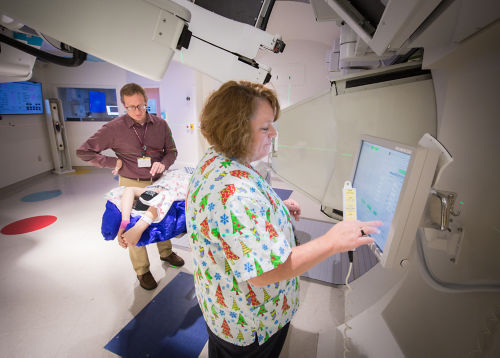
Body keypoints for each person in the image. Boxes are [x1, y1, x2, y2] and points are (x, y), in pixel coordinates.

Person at [185, 80, 382, 357]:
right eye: (265, 128)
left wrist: (275, 207)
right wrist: (332, 241)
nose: (274, 133)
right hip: (250, 325)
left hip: (221, 309)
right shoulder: (235, 196)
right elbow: (266, 272)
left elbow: (231, 222)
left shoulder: (216, 160)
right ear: (235, 131)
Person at [77, 83, 184, 290]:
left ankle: (166, 252)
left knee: (162, 217)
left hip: (159, 181)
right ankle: (142, 270)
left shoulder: (161, 125)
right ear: (123, 106)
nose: (137, 111)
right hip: (130, 182)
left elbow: (172, 150)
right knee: (134, 225)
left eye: (141, 106)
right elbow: (84, 151)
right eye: (131, 107)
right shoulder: (113, 128)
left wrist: (165, 162)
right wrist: (111, 162)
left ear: (146, 102)